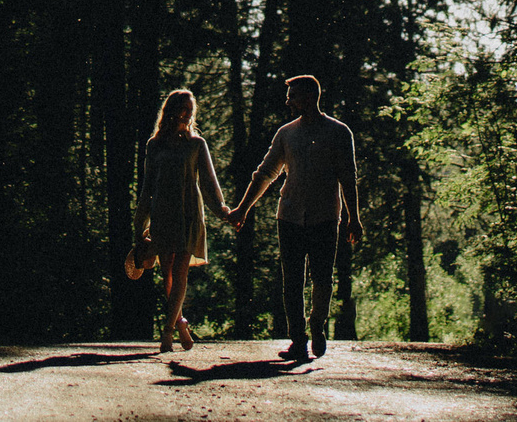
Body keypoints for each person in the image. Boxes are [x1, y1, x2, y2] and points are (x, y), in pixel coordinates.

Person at [226, 73, 364, 360]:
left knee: (322, 278)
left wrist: (354, 218)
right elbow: (265, 173)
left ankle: (317, 325)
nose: (288, 103)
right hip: (289, 215)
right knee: (292, 280)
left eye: (293, 97)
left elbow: (348, 178)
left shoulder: (339, 133)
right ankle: (298, 339)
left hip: (325, 216)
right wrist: (243, 208)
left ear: (310, 97)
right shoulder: (286, 133)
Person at [136, 87, 228, 353]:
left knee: (180, 272)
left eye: (191, 109)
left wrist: (222, 210)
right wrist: (139, 224)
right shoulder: (155, 145)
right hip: (162, 216)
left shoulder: (197, 144)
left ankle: (166, 332)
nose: (187, 113)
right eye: (183, 108)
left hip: (189, 215)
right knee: (167, 274)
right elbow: (147, 187)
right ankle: (181, 323)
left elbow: (210, 183)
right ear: (171, 110)